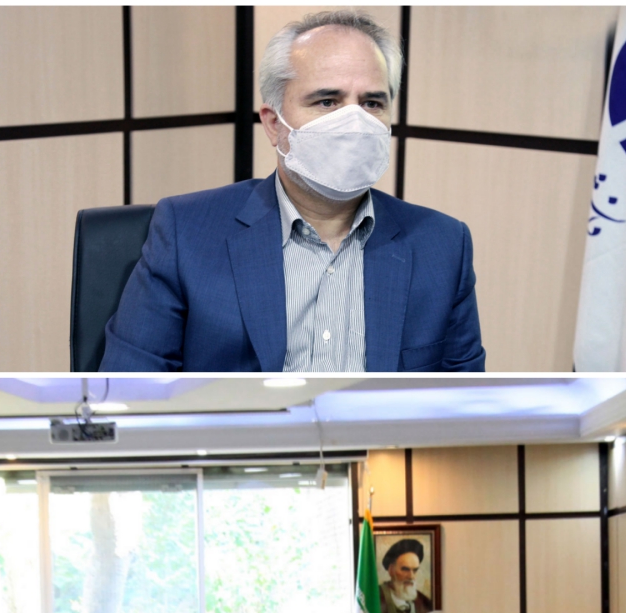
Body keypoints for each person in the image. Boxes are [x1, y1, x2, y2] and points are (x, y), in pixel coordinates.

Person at [100, 10, 483, 373]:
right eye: (327, 101)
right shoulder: (186, 233)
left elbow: (466, 403)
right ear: (273, 124)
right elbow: (129, 389)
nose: (354, 122)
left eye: (372, 103)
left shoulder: (443, 245)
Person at [378, 537, 433, 613]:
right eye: (405, 569)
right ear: (391, 570)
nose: (411, 576)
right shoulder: (376, 598)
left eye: (415, 570)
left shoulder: (425, 603)